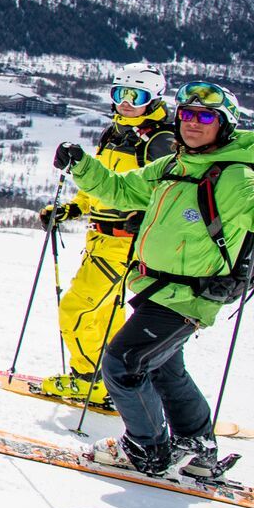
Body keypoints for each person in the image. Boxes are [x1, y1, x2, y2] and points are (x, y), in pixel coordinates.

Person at [53, 82, 254, 477]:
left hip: (191, 295)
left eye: (205, 117)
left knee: (123, 364)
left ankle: (145, 450)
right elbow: (118, 189)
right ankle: (198, 449)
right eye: (186, 115)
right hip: (157, 288)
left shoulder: (237, 177)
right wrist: (81, 163)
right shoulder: (173, 165)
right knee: (165, 370)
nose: (192, 124)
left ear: (225, 126)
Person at [35, 62, 176, 404]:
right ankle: (113, 379)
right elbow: (103, 184)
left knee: (76, 308)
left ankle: (90, 380)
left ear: (154, 98)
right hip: (101, 237)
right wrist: (74, 207)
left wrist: (144, 218)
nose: (126, 102)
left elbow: (168, 193)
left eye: (136, 95)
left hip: (126, 243)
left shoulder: (160, 142)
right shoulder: (115, 133)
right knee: (105, 315)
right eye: (119, 93)